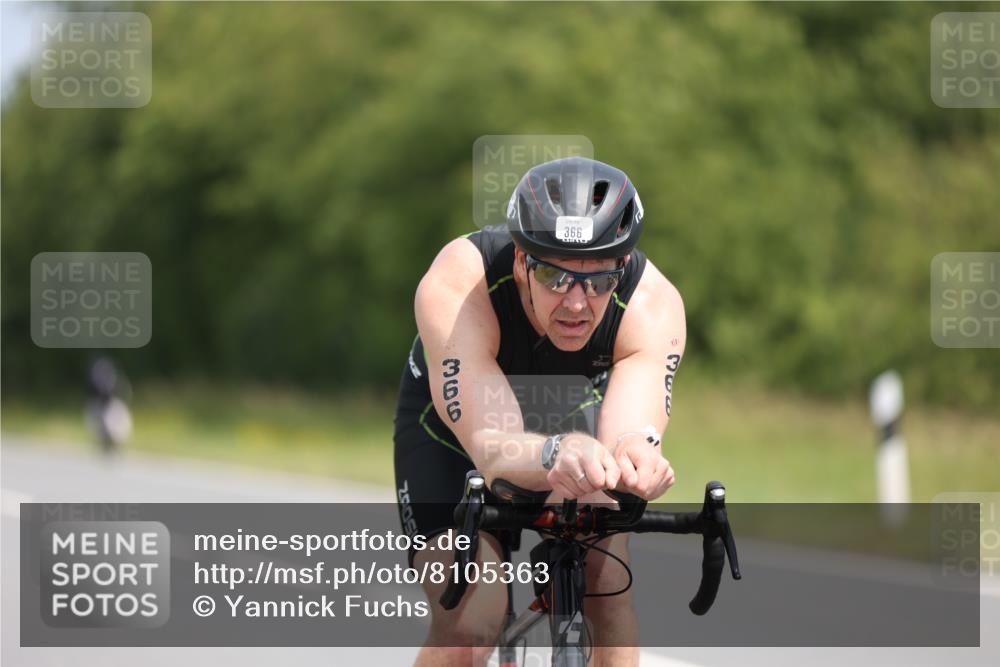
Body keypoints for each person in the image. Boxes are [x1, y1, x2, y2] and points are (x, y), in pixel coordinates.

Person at [394, 156, 686, 667]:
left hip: (572, 426)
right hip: (454, 438)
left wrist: (638, 456)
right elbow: (492, 447)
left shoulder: (650, 303)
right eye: (555, 276)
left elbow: (630, 436)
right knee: (470, 621)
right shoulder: (461, 282)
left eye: (598, 281)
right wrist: (556, 450)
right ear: (521, 264)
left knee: (609, 587)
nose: (577, 303)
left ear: (622, 267)